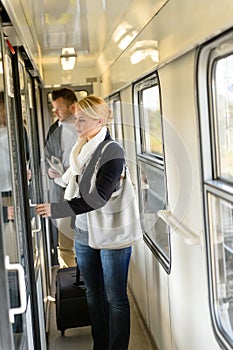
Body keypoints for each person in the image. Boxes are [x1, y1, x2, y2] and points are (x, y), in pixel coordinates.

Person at [37, 95, 138, 349]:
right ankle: (100, 344)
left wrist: (57, 209)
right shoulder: (80, 147)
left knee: (115, 298)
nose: (76, 123)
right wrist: (61, 178)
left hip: (110, 234)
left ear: (100, 120)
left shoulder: (112, 151)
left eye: (82, 119)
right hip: (83, 232)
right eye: (75, 118)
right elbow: (76, 181)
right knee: (93, 295)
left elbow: (97, 198)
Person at [45, 87, 77, 267]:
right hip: (61, 191)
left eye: (60, 108)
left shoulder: (86, 128)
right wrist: (50, 171)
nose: (55, 112)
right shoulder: (53, 129)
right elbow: (47, 156)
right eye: (54, 108)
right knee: (64, 243)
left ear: (72, 107)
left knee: (86, 240)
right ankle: (71, 278)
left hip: (82, 190)